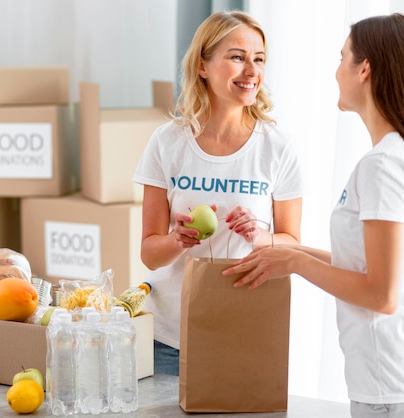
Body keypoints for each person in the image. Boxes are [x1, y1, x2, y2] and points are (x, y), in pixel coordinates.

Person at [223, 13, 404, 418]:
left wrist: (294, 261)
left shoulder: (384, 166)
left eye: (342, 58)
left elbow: (381, 295)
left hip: (398, 382)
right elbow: (367, 267)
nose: (336, 71)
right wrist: (283, 252)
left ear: (365, 69)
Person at [132, 10, 303, 376]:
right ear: (203, 66)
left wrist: (259, 236)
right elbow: (149, 254)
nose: (252, 71)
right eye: (237, 57)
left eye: (258, 59)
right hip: (168, 339)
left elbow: (292, 245)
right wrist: (178, 239)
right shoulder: (167, 142)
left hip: (244, 333)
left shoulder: (278, 148)